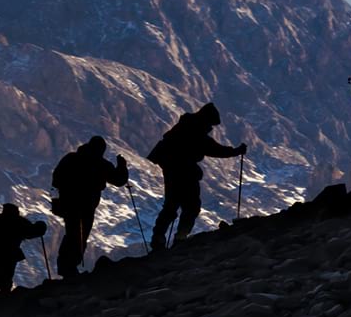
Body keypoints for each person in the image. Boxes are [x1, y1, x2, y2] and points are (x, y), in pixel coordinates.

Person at [147, 102, 246, 251]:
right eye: (211, 124)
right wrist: (236, 151)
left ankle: (158, 239)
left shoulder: (186, 126)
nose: (211, 128)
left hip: (172, 170)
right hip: (184, 171)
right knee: (191, 206)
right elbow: (214, 149)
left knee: (172, 205)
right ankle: (180, 238)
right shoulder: (195, 130)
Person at [51, 136, 129, 277]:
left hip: (68, 204)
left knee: (72, 233)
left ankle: (65, 266)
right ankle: (70, 267)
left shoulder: (70, 159)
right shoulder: (101, 164)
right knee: (80, 236)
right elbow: (119, 180)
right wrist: (122, 166)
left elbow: (56, 179)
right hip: (86, 206)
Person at [0, 203, 47, 297]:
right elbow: (31, 232)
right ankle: (4, 294)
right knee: (7, 275)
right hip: (11, 253)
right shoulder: (19, 221)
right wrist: (41, 227)